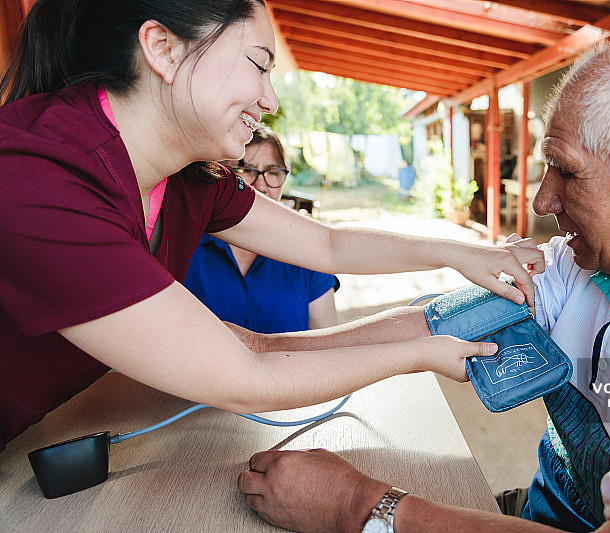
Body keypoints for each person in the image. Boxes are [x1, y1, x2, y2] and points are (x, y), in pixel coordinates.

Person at [235, 37, 610, 532]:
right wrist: (251, 353)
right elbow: (431, 322)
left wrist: (359, 507)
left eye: (568, 172)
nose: (541, 202)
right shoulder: (583, 264)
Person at [0, 0, 544, 452]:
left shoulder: (189, 179)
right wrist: (418, 356)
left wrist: (459, 254)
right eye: (258, 65)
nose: (271, 100)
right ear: (163, 49)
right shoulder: (38, 178)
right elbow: (244, 378)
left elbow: (329, 244)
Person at [184, 124, 338, 333]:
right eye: (247, 170)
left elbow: (326, 341)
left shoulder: (307, 253)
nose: (262, 185)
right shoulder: (186, 245)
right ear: (220, 175)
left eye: (273, 172)